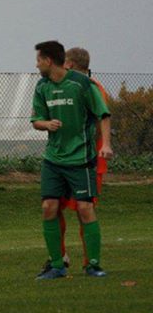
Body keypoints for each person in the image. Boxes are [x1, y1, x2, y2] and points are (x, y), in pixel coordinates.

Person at [30, 41, 113, 280]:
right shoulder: (42, 86)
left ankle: (93, 265)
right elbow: (36, 119)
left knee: (85, 209)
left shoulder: (83, 84)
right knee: (49, 207)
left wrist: (106, 144)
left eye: (38, 60)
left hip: (81, 159)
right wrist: (46, 124)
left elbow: (103, 114)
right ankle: (57, 264)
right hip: (53, 160)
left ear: (49, 60)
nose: (36, 65)